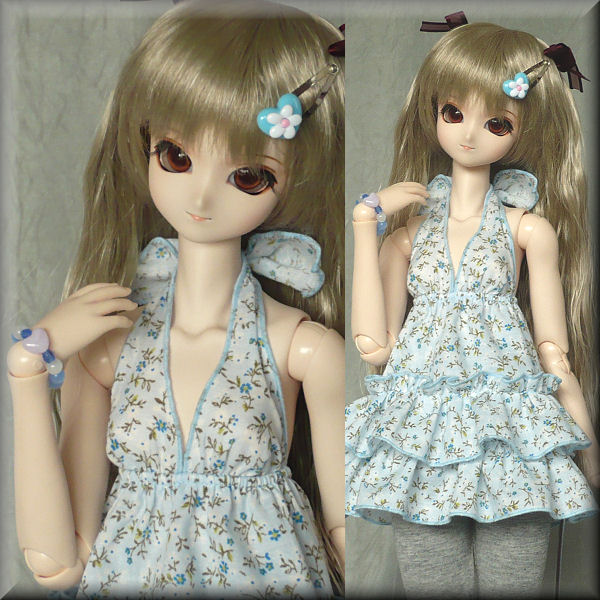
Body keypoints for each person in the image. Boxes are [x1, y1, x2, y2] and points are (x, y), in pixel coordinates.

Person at [8, 1, 345, 597]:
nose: (201, 196)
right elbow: (59, 564)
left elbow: (347, 534)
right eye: (177, 157)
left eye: (249, 176)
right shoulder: (105, 352)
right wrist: (27, 372)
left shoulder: (304, 348)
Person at [345, 16, 598, 598]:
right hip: (422, 434)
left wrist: (587, 447)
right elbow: (375, 347)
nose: (468, 135)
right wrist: (365, 223)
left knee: (514, 580)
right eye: (454, 112)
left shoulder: (528, 229)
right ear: (434, 113)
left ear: (521, 129)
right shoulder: (406, 236)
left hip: (509, 431)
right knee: (433, 581)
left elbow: (554, 354)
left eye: (496, 122)